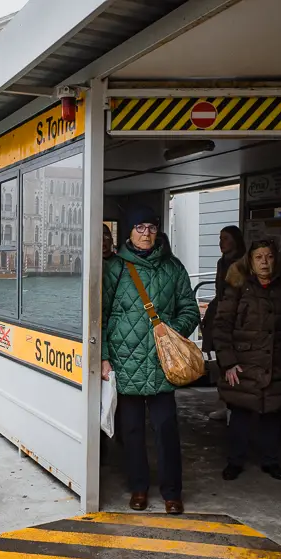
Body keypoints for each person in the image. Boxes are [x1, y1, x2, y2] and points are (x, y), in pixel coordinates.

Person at [101, 205, 200, 515]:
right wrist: (104, 357)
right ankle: (139, 487)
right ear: (129, 232)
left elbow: (190, 310)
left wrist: (169, 332)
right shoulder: (115, 268)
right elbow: (99, 316)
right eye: (140, 227)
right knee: (131, 432)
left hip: (162, 364)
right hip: (124, 361)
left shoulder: (173, 268)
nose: (146, 233)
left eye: (152, 228)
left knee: (166, 429)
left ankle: (172, 491)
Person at [213, 240, 281, 481]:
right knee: (240, 415)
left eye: (269, 256)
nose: (264, 262)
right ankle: (235, 461)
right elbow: (221, 326)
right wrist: (228, 362)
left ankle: (270, 461)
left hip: (277, 361)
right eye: (259, 257)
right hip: (243, 362)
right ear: (250, 261)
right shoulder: (238, 287)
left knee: (273, 416)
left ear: (277, 259)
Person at [200, 226, 246, 420]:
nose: (221, 242)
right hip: (220, 312)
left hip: (238, 316)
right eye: (220, 238)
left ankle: (235, 407)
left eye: (225, 238)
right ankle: (226, 403)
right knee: (221, 359)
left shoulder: (243, 263)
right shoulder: (221, 262)